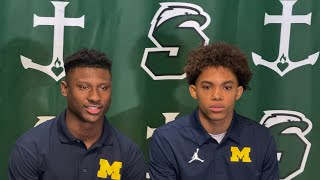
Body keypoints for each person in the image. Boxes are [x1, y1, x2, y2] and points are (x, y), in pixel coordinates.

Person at [9, 49, 146, 180]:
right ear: (65, 89)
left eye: (103, 88)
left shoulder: (129, 153)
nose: (95, 97)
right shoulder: (31, 148)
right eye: (84, 87)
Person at [149, 42, 279, 180]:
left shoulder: (261, 138)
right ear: (194, 91)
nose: (217, 96)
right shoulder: (167, 139)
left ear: (238, 92)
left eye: (227, 87)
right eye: (207, 87)